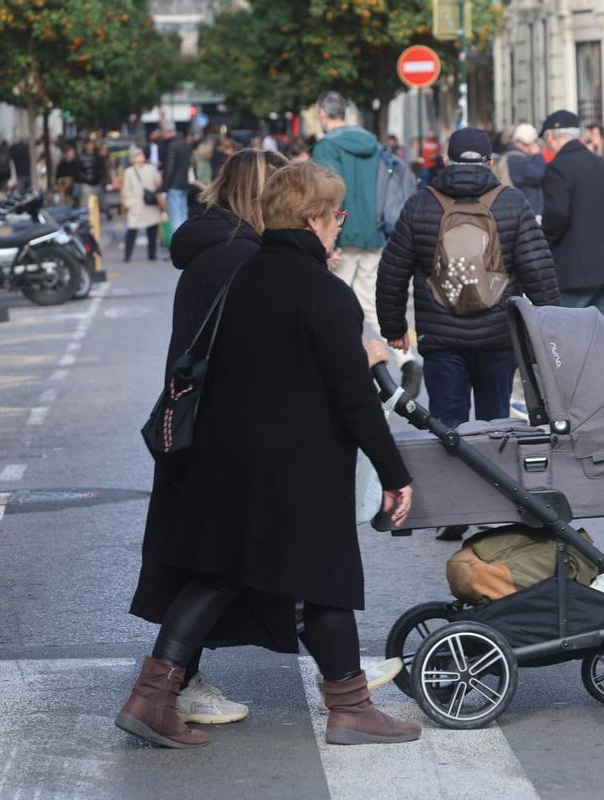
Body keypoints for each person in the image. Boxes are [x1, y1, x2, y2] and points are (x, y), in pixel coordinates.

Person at [116, 160, 419, 749]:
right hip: (297, 467)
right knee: (324, 577)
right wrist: (395, 472)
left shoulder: (243, 277)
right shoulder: (325, 295)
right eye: (336, 213)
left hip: (226, 458)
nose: (340, 222)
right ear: (312, 220)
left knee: (219, 575)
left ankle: (153, 697)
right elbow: (354, 400)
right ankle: (350, 709)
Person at [130, 149, 290, 727]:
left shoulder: (218, 247)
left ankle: (339, 669)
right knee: (215, 561)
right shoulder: (238, 256)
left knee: (213, 556)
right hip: (219, 426)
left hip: (198, 422)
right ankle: (177, 685)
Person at [377, 126, 559, 429]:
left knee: (447, 426)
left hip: (441, 339)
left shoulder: (420, 205)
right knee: (496, 427)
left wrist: (393, 327)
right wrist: (551, 329)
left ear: (447, 161)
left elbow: (392, 272)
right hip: (499, 338)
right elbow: (538, 270)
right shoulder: (512, 203)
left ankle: (452, 476)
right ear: (489, 163)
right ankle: (494, 478)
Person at [313, 90, 422, 394]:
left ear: (323, 114)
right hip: (375, 233)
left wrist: (329, 240)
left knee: (330, 308)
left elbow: (332, 197)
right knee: (372, 303)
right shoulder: (371, 144)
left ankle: (340, 373)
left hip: (342, 236)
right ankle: (406, 360)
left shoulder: (325, 148)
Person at [541, 109, 604, 328]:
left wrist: (544, 237)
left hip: (575, 268)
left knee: (566, 332)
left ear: (551, 137)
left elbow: (557, 215)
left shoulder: (558, 168)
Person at [122, 147, 162, 261]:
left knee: (152, 229)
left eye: (142, 155)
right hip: (136, 204)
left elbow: (158, 182)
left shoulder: (151, 168)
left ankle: (152, 254)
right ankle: (127, 254)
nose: (141, 157)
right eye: (138, 155)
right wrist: (128, 203)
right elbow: (126, 189)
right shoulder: (128, 171)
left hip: (150, 204)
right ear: (133, 158)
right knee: (132, 229)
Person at [496, 123, 546, 214]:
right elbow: (540, 174)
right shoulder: (516, 159)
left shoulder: (513, 157)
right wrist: (537, 155)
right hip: (523, 214)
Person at [161, 126, 192, 233]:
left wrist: (164, 188)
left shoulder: (172, 145)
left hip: (174, 184)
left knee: (175, 217)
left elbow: (169, 168)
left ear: (167, 132)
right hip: (185, 183)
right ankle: (186, 241)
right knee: (183, 214)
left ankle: (177, 244)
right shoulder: (185, 144)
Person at [77, 137, 107, 210]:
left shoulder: (98, 157)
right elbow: (78, 170)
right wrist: (84, 178)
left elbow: (102, 169)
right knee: (86, 204)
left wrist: (99, 178)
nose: (90, 146)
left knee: (98, 204)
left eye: (91, 144)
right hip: (86, 184)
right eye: (89, 144)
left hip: (96, 183)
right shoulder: (80, 157)